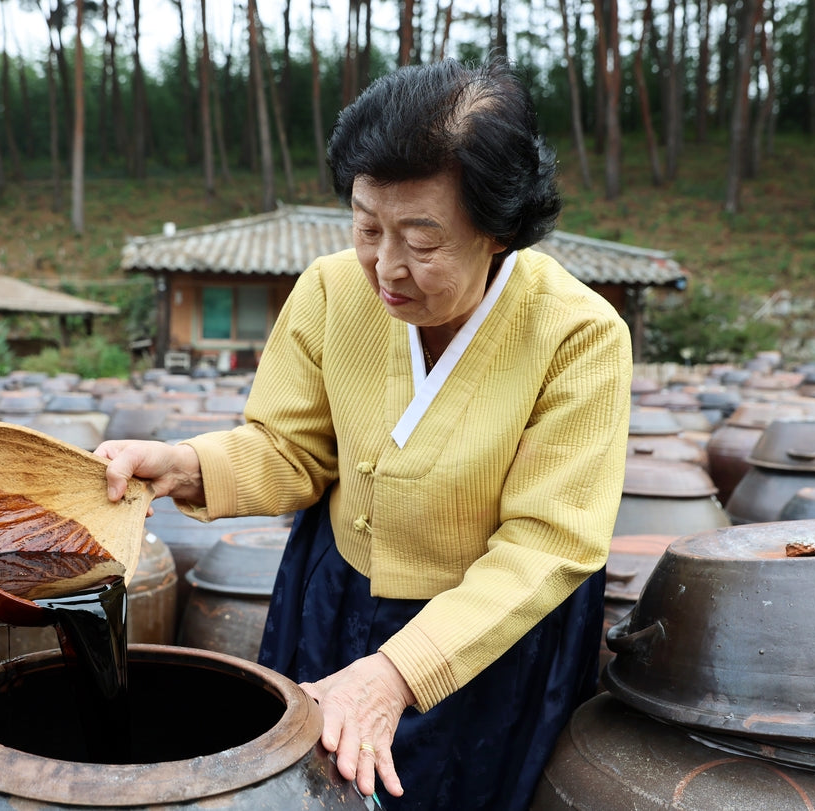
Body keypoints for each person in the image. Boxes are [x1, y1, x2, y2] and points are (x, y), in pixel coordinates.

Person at [97, 57, 632, 810]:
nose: (385, 266)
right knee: (310, 790)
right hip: (338, 593)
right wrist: (183, 465)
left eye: (420, 238)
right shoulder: (328, 289)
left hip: (487, 632)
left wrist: (398, 672)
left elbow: (548, 543)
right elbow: (292, 449)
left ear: (501, 227)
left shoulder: (579, 334)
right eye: (366, 224)